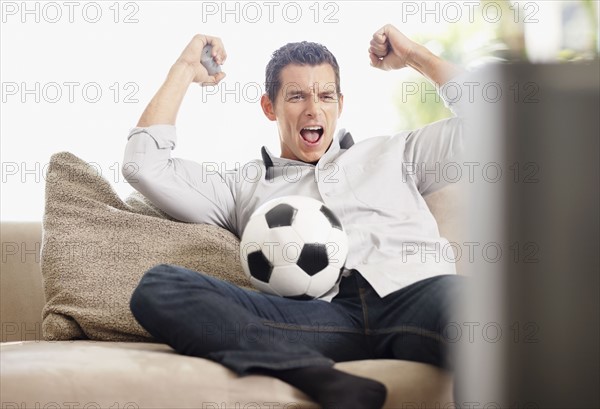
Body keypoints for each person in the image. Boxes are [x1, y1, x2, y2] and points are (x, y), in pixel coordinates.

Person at [123, 24, 466, 409]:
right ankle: (322, 379)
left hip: (416, 298)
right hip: (323, 319)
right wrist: (185, 67)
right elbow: (143, 167)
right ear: (269, 107)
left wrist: (414, 56)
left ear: (340, 103)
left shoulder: (397, 152)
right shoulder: (242, 186)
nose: (313, 108)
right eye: (296, 96)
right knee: (160, 287)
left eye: (325, 95)